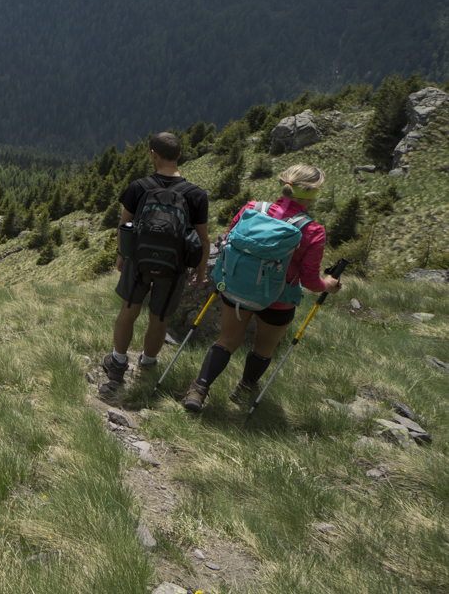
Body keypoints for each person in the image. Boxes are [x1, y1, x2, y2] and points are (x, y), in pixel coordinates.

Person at [181, 163, 342, 412]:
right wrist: (328, 285)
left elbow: (227, 240)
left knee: (227, 340)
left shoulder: (252, 208)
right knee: (264, 347)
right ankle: (244, 388)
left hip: (236, 290)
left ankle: (198, 390)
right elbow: (310, 281)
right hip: (279, 298)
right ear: (313, 192)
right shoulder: (312, 231)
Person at [102, 132, 210, 388]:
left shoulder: (139, 187)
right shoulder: (195, 194)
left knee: (129, 310)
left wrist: (122, 255)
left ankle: (117, 364)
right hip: (174, 267)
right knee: (159, 317)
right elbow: (203, 238)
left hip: (138, 262)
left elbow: (124, 225)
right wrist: (201, 268)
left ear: (153, 154)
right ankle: (148, 363)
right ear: (180, 155)